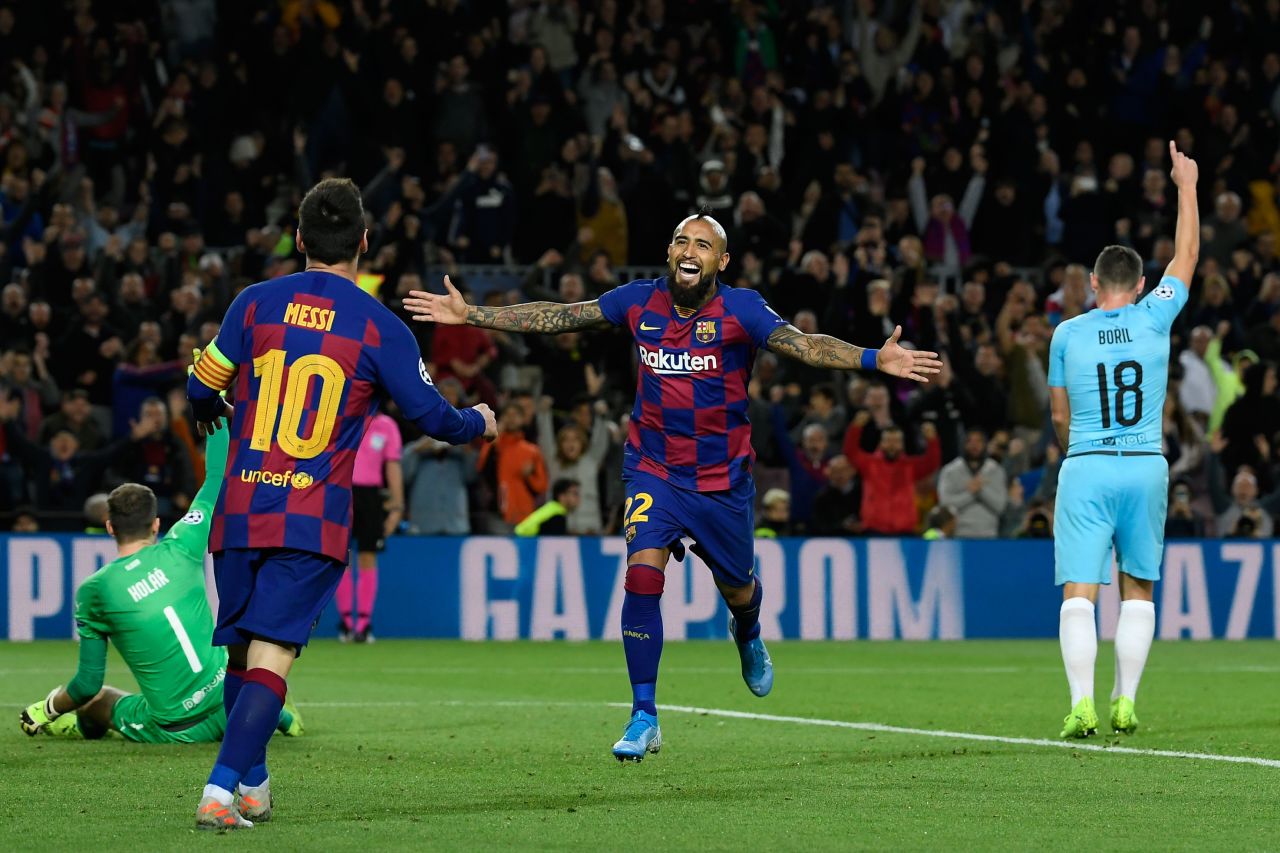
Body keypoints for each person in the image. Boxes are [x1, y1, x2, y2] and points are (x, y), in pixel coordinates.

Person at [404, 212, 940, 762]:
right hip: (653, 470)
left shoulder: (742, 309)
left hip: (722, 483)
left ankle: (747, 629)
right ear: (669, 252)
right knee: (641, 577)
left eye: (704, 245)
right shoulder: (637, 301)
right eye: (683, 240)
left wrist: (876, 358)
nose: (691, 250)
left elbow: (803, 345)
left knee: (739, 589)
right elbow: (562, 316)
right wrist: (471, 314)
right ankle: (644, 715)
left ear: (721, 261)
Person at [185, 178, 496, 830]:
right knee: (271, 654)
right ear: (363, 242)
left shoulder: (252, 303)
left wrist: (213, 412)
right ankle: (218, 788)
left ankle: (254, 785)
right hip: (310, 513)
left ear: (298, 239)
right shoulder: (378, 326)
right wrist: (481, 424)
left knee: (243, 653)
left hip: (240, 507)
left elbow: (199, 383)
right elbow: (430, 416)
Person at [18, 426, 301, 746]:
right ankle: (283, 717)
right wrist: (215, 410)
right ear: (155, 525)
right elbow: (218, 477)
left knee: (98, 702)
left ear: (109, 527)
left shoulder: (95, 589)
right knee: (247, 653)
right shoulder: (182, 544)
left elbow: (87, 684)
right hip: (231, 706)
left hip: (180, 730)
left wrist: (46, 708)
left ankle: (73, 728)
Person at [1047, 142, 1197, 740]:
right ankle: (1126, 701)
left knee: (1078, 592)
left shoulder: (1067, 332)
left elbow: (1058, 414)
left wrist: (1075, 449)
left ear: (1091, 284)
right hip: (1144, 464)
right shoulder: (1155, 316)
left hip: (1085, 463)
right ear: (1139, 284)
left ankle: (1082, 703)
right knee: (1139, 587)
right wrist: (1185, 185)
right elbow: (1186, 253)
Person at [335, 410, 404, 644]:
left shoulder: (386, 425)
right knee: (342, 558)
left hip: (370, 497)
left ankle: (363, 625)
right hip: (341, 491)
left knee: (367, 556)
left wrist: (397, 506)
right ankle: (346, 623)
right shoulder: (342, 417)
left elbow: (392, 466)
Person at [936, 428, 1007, 538]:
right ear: (963, 444)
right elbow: (945, 504)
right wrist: (970, 493)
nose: (974, 445)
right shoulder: (950, 471)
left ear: (985, 444)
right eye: (970, 441)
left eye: (978, 441)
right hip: (959, 535)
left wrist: (981, 490)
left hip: (989, 536)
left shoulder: (996, 470)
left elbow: (1000, 506)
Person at [514, 478, 581, 535]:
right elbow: (554, 543)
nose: (578, 498)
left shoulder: (551, 509)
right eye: (575, 494)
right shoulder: (556, 516)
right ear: (562, 497)